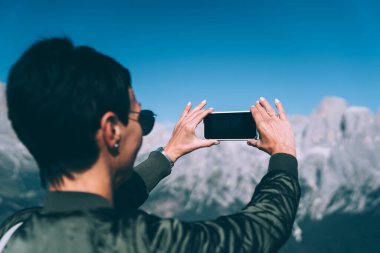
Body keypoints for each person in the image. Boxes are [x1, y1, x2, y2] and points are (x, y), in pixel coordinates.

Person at [0, 38, 300, 253]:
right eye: (142, 118)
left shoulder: (14, 229)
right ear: (112, 130)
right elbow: (260, 230)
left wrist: (168, 154)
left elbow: (106, 205)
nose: (144, 130)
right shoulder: (143, 242)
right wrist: (284, 155)